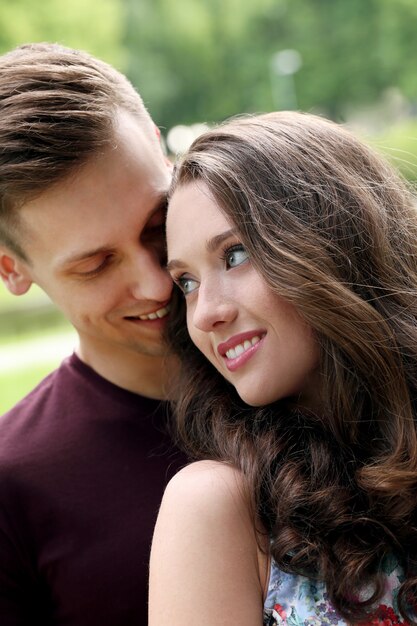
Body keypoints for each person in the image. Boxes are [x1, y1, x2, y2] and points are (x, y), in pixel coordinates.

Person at [149, 111, 417, 625]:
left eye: (234, 255)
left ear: (335, 242)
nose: (205, 313)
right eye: (186, 283)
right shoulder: (219, 509)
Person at [0, 43, 186, 625]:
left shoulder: (316, 360)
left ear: (157, 145)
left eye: (157, 225)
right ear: (11, 268)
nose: (156, 284)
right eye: (96, 265)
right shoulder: (15, 485)